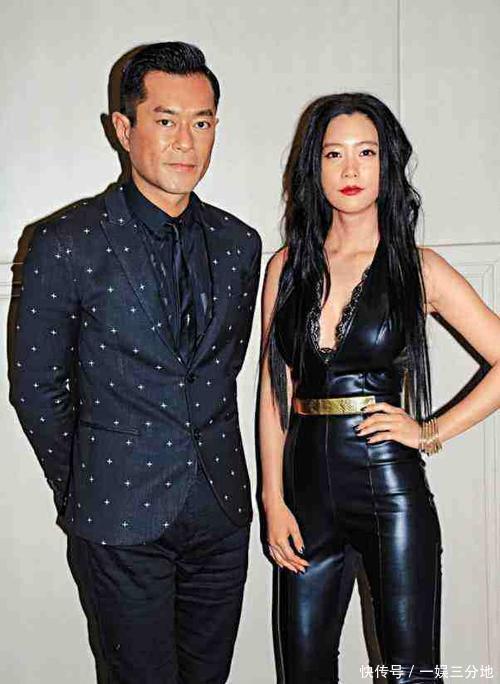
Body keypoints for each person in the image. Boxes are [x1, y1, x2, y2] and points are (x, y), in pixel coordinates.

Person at [9, 42, 261, 684]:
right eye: (165, 120)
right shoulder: (65, 242)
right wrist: (88, 482)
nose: (185, 142)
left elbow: (223, 373)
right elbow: (36, 387)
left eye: (201, 122)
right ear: (123, 129)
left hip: (221, 511)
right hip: (118, 516)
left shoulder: (240, 244)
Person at [258, 92, 500, 683]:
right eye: (333, 154)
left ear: (387, 164)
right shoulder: (285, 267)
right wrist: (272, 498)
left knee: (408, 674)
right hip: (304, 495)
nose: (350, 168)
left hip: (389, 489)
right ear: (313, 168)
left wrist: (431, 430)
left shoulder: (418, 267)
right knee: (303, 671)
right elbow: (273, 391)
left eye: (366, 152)